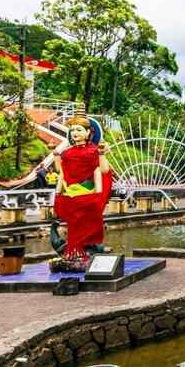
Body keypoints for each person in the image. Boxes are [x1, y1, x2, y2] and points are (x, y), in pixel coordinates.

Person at [50, 104, 113, 260]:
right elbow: (63, 171)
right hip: (71, 194)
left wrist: (101, 153)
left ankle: (83, 250)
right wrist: (58, 193)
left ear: (88, 133)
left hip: (88, 194)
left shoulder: (93, 151)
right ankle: (75, 252)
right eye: (72, 130)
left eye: (79, 130)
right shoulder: (69, 152)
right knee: (74, 226)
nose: (75, 133)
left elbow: (102, 170)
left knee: (87, 227)